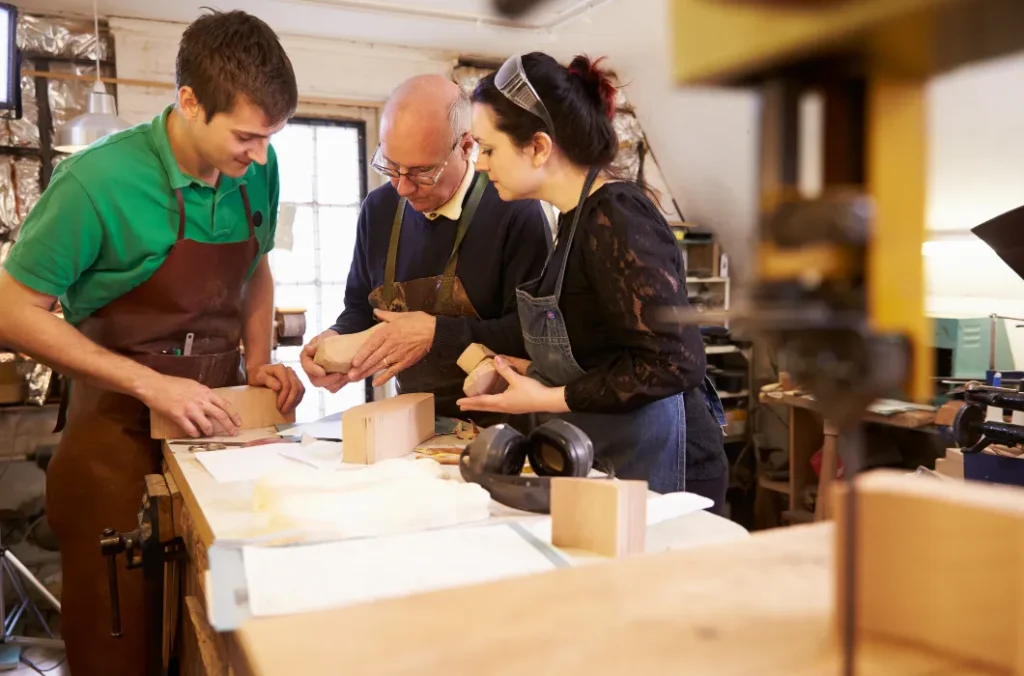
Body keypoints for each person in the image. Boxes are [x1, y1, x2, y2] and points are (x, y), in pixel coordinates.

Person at [0, 10, 303, 674]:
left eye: (268, 139)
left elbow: (256, 269)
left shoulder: (260, 167)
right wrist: (148, 382)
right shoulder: (96, 183)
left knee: (225, 625)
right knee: (121, 640)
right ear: (189, 101)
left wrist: (259, 362)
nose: (258, 158)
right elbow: (13, 311)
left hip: (219, 431)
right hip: (115, 433)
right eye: (247, 137)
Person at [458, 52, 730, 511]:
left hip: (670, 474)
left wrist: (548, 397)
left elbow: (676, 363)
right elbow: (605, 353)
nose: (481, 165)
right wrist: (520, 373)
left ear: (539, 147)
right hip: (613, 459)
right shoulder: (573, 219)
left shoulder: (615, 218)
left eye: (488, 149)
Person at [300, 75, 552, 423]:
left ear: (465, 147)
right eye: (390, 166)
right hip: (411, 419)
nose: (402, 187)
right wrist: (333, 342)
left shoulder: (514, 209)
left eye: (421, 172)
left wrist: (436, 332)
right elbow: (361, 308)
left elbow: (533, 335)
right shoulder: (379, 209)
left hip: (502, 424)